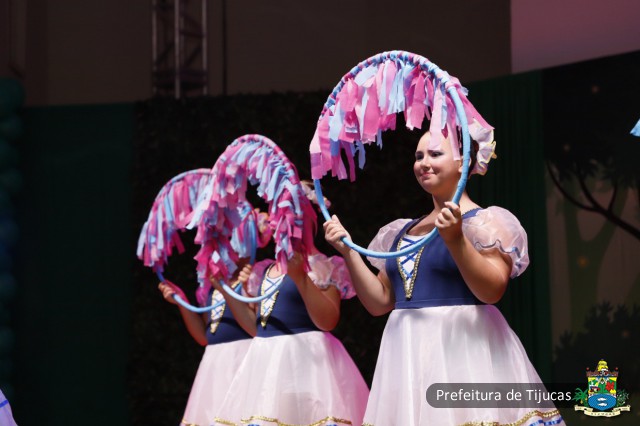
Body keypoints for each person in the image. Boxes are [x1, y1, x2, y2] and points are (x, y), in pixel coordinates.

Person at [323, 130, 564, 425]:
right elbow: (379, 302)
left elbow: (492, 291)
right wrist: (348, 252)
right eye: (418, 156)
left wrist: (456, 240)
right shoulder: (401, 232)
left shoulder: (486, 223)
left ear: (464, 162)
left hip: (462, 352)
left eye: (435, 154)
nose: (423, 163)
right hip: (407, 356)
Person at [214, 210, 369, 426]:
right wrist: (224, 291)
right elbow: (257, 328)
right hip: (267, 367)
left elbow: (327, 321)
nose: (280, 225)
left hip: (306, 364)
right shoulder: (264, 270)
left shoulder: (322, 266)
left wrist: (301, 278)